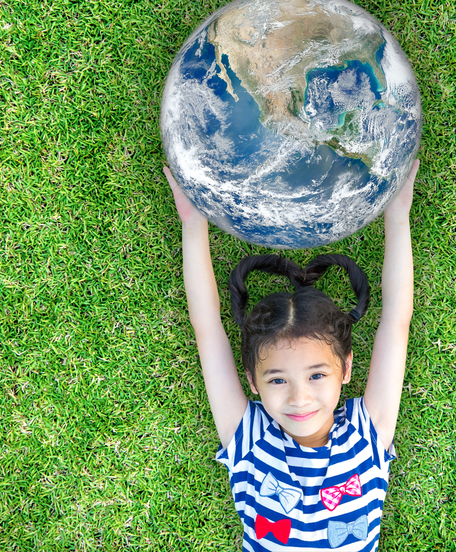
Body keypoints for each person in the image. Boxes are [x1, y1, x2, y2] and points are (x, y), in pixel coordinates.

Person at [164, 160, 419, 551]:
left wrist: (398, 215)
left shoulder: (367, 434)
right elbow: (207, 329)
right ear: (252, 381)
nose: (299, 398)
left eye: (317, 375)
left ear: (346, 367)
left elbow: (397, 324)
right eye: (278, 379)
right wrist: (192, 223)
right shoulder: (248, 438)